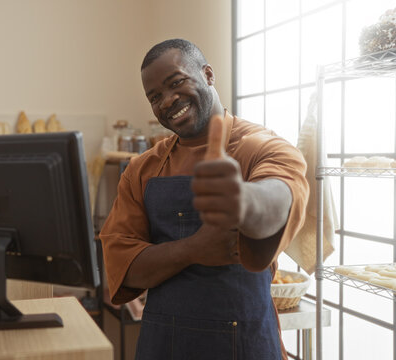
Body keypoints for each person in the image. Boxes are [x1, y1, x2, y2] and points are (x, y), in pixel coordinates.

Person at [99, 38, 309, 359]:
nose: (167, 101)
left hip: (247, 345)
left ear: (208, 74)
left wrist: (244, 199)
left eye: (177, 82)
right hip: (162, 346)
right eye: (154, 97)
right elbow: (123, 267)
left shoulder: (262, 146)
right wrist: (194, 248)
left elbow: (281, 195)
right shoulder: (142, 169)